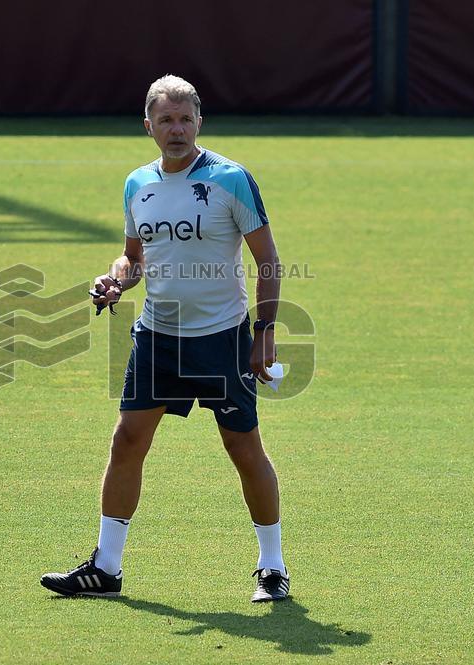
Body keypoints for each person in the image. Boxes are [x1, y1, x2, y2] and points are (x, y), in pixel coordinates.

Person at [40, 75, 289, 602]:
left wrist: (264, 331)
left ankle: (273, 567)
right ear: (148, 125)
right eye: (165, 119)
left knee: (242, 447)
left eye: (185, 118)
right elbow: (134, 256)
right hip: (157, 335)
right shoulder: (137, 184)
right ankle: (105, 568)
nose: (176, 129)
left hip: (221, 337)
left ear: (200, 121)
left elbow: (267, 259)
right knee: (127, 439)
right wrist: (115, 279)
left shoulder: (231, 179)